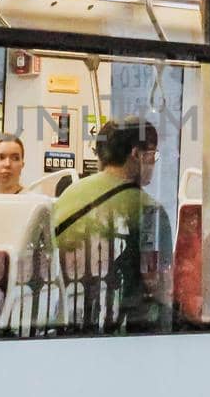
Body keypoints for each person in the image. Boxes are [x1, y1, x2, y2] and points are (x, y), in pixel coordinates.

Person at [52, 118, 172, 332]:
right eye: (152, 155)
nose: (154, 164)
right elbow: (158, 284)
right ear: (136, 154)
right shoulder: (149, 210)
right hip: (123, 332)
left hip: (67, 327)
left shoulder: (68, 195)